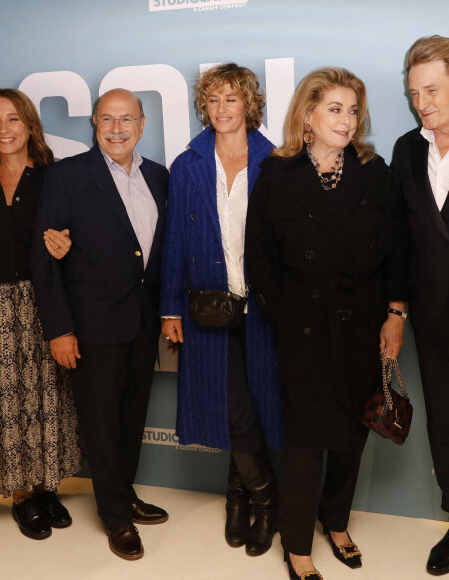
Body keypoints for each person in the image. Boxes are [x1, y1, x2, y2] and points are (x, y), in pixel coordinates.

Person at [246, 67, 407, 579]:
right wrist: (283, 312)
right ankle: (297, 544)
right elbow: (259, 256)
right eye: (334, 109)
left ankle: (336, 521)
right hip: (305, 327)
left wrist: (395, 315)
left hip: (364, 324)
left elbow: (397, 252)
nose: (347, 119)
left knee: (352, 434)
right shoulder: (277, 173)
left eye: (353, 109)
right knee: (306, 439)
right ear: (307, 116)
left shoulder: (374, 171)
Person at [31, 88, 169, 560]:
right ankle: (115, 517)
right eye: (107, 119)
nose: (117, 128)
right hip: (90, 325)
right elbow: (44, 259)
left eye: (126, 119)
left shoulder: (159, 176)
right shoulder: (67, 175)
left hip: (142, 323)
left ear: (142, 124)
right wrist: (58, 328)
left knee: (132, 420)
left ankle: (124, 494)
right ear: (94, 123)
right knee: (103, 423)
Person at [160, 63, 282, 556]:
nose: (221, 109)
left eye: (231, 99)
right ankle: (264, 498)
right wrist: (169, 308)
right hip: (207, 306)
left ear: (249, 104)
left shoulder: (275, 161)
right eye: (212, 100)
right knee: (230, 405)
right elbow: (173, 241)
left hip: (264, 308)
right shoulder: (187, 163)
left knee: (253, 406)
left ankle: (239, 496)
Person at [0, 89, 83, 540]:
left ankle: (47, 485)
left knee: (50, 396)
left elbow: (76, 230)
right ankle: (20, 494)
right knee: (7, 399)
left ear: (30, 124)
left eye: (13, 119)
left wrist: (69, 245)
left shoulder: (53, 176)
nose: (4, 129)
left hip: (45, 296)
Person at [392, 35, 449, 577]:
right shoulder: (406, 150)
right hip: (435, 322)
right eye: (415, 92)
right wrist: (397, 309)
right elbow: (399, 240)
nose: (422, 103)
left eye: (432, 89)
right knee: (447, 427)